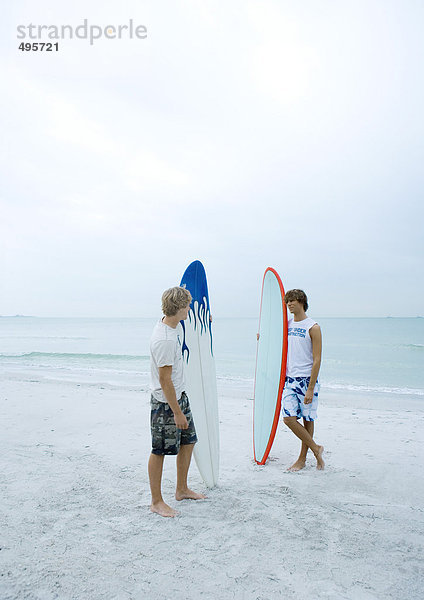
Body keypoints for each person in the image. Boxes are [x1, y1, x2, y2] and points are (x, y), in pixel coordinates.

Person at [148, 286, 205, 517]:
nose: (189, 309)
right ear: (179, 308)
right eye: (188, 306)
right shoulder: (164, 340)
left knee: (189, 441)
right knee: (159, 450)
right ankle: (156, 501)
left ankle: (181, 489)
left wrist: (206, 320)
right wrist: (177, 412)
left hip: (180, 396)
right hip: (165, 403)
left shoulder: (173, 325)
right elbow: (164, 380)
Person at [282, 289, 325, 471]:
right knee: (288, 419)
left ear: (302, 302)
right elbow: (277, 346)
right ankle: (316, 449)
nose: (290, 304)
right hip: (289, 379)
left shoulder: (313, 327)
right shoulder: (287, 325)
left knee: (308, 419)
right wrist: (262, 338)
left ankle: (302, 459)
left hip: (307, 380)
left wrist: (310, 388)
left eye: (293, 300)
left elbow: (317, 359)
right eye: (288, 301)